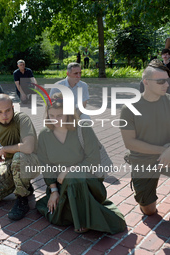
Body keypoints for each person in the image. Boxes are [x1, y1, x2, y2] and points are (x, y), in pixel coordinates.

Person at [36, 93, 126, 234]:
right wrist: (53, 191)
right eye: (51, 116)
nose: (55, 120)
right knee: (53, 209)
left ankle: (83, 221)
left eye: (59, 116)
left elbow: (93, 161)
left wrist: (68, 170)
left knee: (74, 177)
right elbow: (46, 165)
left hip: (88, 183)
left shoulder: (82, 128)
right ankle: (81, 214)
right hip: (60, 184)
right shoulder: (44, 134)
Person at [120, 59, 170, 216]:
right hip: (143, 158)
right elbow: (130, 142)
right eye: (161, 81)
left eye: (167, 81)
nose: (166, 85)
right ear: (146, 82)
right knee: (149, 211)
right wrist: (164, 150)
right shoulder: (129, 108)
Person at [0, 94, 39, 220]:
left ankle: (22, 199)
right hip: (11, 165)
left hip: (32, 162)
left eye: (7, 110)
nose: (4, 115)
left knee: (18, 157)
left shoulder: (22, 119)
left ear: (13, 108)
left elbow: (28, 148)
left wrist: (5, 149)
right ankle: (23, 184)